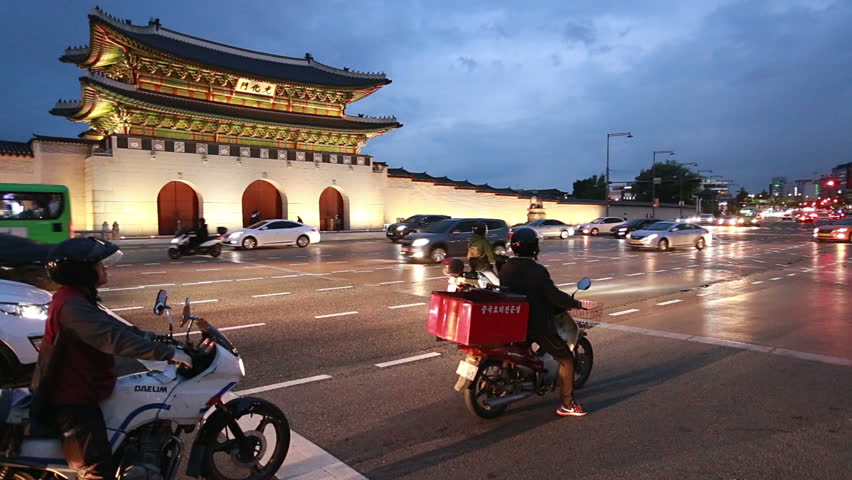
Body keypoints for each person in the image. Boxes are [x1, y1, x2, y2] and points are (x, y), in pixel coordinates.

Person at [31, 237, 192, 480]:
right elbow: (113, 339)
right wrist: (170, 354)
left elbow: (117, 328)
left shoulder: (78, 298)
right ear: (83, 271)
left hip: (86, 385)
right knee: (97, 468)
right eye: (99, 265)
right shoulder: (73, 306)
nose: (105, 268)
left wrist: (157, 340)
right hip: (72, 397)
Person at [498, 227, 587, 417]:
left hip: (513, 322)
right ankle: (567, 404)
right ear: (534, 248)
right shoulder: (537, 270)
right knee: (565, 358)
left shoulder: (505, 267)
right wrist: (574, 303)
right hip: (536, 324)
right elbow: (553, 295)